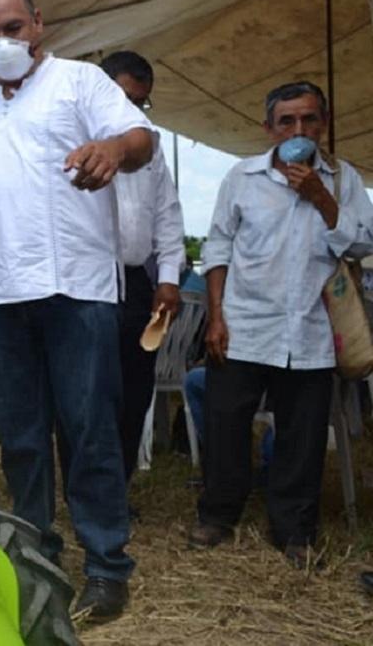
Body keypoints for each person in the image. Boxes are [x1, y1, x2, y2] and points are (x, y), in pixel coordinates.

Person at [0, 0, 154, 619]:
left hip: (78, 288)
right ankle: (36, 556)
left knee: (88, 433)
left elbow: (140, 141)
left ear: (39, 24)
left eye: (13, 28)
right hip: (3, 297)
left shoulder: (81, 83)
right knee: (22, 437)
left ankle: (109, 566)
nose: (3, 41)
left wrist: (112, 147)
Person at [190, 81, 373, 567]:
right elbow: (218, 248)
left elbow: (361, 243)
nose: (299, 129)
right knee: (226, 424)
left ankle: (294, 529)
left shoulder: (342, 179)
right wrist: (216, 316)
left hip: (311, 329)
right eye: (287, 121)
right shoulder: (242, 177)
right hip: (246, 324)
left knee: (303, 433)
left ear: (324, 125)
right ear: (268, 128)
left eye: (309, 119)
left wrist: (321, 197)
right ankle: (218, 514)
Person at [101, 51, 185, 487]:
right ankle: (87, 489)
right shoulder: (75, 138)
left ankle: (118, 486)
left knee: (135, 391)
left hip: (135, 284)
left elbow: (168, 215)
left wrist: (168, 278)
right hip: (86, 284)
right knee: (90, 392)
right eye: (123, 97)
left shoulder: (150, 148)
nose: (130, 109)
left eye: (140, 102)